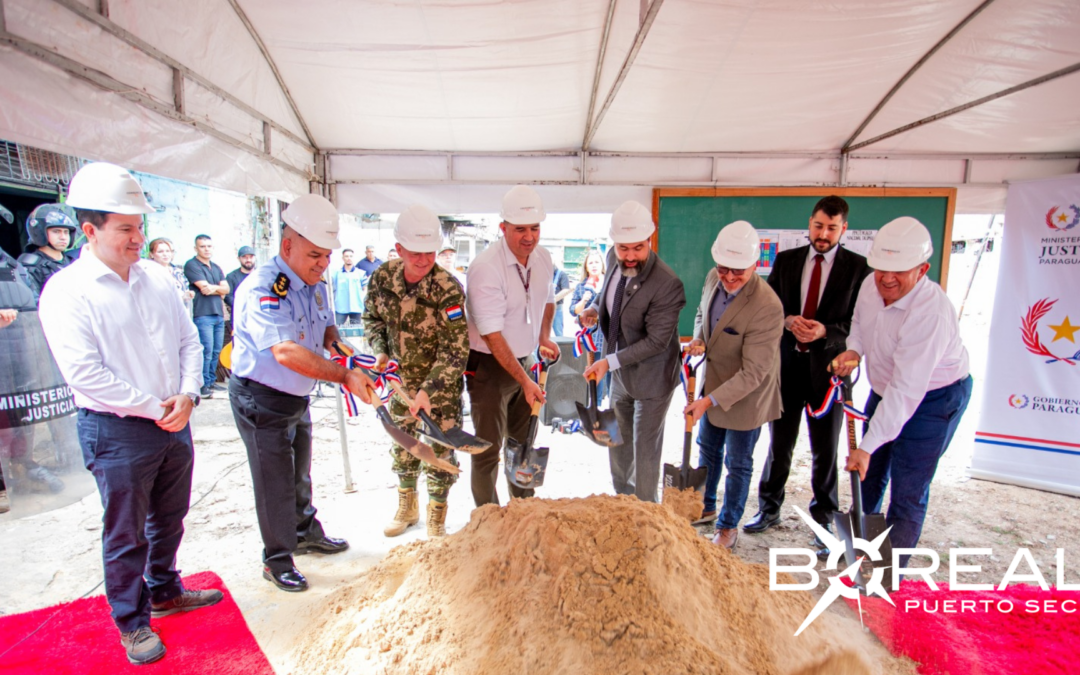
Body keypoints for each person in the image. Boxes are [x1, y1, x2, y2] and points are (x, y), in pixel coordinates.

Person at [38, 162, 220, 666]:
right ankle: (132, 622)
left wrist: (187, 393)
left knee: (170, 516)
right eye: (126, 228)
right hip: (116, 430)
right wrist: (156, 408)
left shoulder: (158, 278)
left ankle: (164, 589)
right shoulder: (67, 292)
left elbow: (188, 340)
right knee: (125, 531)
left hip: (173, 420)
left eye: (140, 226)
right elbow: (85, 374)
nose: (138, 238)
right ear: (90, 231)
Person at [229, 193, 375, 593]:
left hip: (297, 393)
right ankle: (276, 558)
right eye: (314, 255)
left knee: (298, 471)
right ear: (287, 246)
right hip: (261, 396)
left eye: (327, 256)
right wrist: (344, 376)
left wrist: (338, 345)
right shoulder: (263, 288)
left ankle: (305, 531)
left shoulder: (315, 282)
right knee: (273, 478)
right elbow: (286, 351)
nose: (323, 264)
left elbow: (325, 326)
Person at [832, 217, 972, 566]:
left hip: (934, 400)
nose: (887, 279)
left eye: (899, 271)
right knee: (868, 474)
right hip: (884, 391)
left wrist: (865, 446)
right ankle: (859, 550)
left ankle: (887, 575)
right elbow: (861, 325)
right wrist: (854, 350)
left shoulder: (931, 313)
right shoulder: (870, 284)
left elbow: (907, 391)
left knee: (908, 489)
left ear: (923, 269)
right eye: (881, 269)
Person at [745, 196, 871, 551]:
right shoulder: (785, 261)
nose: (823, 233)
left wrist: (826, 332)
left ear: (844, 228)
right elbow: (769, 310)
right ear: (810, 223)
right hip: (785, 368)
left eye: (832, 228)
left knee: (825, 451)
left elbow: (859, 324)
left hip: (830, 374)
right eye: (818, 225)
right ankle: (769, 508)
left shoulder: (860, 269)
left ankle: (825, 519)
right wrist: (787, 320)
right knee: (779, 445)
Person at [364, 206, 468, 538]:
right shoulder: (383, 278)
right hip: (398, 385)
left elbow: (456, 349)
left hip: (439, 390)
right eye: (415, 254)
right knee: (403, 444)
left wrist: (428, 390)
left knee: (438, 450)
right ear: (399, 250)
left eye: (429, 253)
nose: (423, 260)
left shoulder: (447, 287)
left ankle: (436, 515)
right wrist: (380, 350)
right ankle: (407, 507)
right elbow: (372, 320)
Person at [683, 221, 784, 550]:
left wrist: (708, 401)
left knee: (737, 463)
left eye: (737, 272)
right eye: (723, 268)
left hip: (748, 395)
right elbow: (702, 313)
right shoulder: (714, 278)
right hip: (715, 381)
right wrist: (699, 338)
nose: (728, 277)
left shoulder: (767, 307)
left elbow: (754, 372)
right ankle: (707, 506)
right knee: (708, 449)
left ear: (755, 265)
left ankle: (728, 526)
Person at [581, 201, 685, 503]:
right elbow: (611, 294)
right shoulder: (615, 259)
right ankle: (623, 500)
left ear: (650, 241)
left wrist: (608, 361)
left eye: (637, 249)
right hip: (620, 373)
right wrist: (594, 308)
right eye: (623, 248)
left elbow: (656, 342)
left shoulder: (667, 284)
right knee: (619, 441)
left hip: (652, 377)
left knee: (644, 448)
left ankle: (645, 511)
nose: (629, 256)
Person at [465, 185, 558, 506]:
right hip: (489, 367)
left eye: (534, 228)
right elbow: (493, 336)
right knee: (487, 449)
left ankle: (522, 512)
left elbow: (547, 299)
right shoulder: (485, 268)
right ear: (503, 228)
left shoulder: (544, 258)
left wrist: (544, 336)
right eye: (520, 229)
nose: (529, 237)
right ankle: (487, 521)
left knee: (523, 442)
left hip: (526, 362)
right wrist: (525, 380)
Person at [183, 235, 229, 397]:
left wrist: (214, 288)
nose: (206, 249)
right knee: (206, 350)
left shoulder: (215, 267)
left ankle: (211, 382)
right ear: (196, 248)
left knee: (216, 350)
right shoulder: (192, 265)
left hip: (218, 314)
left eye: (209, 246)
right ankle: (201, 385)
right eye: (202, 246)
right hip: (203, 314)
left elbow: (226, 289)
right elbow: (203, 288)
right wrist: (218, 289)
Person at [569, 249, 608, 402]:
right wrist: (583, 301)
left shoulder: (609, 284)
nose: (593, 265)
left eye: (597, 262)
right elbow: (573, 311)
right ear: (585, 266)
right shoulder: (581, 287)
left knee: (612, 375)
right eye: (590, 262)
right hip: (591, 339)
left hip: (609, 337)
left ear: (602, 265)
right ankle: (595, 407)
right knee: (595, 375)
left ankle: (612, 408)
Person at [18, 203, 79, 295]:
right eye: (56, 231)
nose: (63, 237)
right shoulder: (29, 267)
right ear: (40, 232)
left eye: (66, 232)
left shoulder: (74, 263)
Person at [148, 237, 195, 311]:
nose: (165, 254)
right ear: (151, 254)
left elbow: (184, 290)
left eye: (168, 251)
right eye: (160, 252)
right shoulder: (148, 272)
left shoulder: (178, 271)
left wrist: (188, 295)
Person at [331, 247, 366, 326]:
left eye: (350, 256)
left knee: (357, 331)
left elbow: (365, 288)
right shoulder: (336, 273)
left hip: (356, 307)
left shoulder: (360, 273)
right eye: (346, 256)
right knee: (338, 330)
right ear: (343, 258)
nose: (348, 258)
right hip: (341, 307)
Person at [224, 245, 256, 316]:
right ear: (238, 258)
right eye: (244, 257)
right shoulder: (231, 277)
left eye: (251, 257)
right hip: (239, 316)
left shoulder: (262, 275)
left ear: (255, 258)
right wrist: (244, 306)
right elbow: (228, 297)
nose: (248, 260)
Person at [551, 264, 572, 337]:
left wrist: (552, 300)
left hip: (557, 308)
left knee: (559, 335)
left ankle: (560, 348)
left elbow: (565, 290)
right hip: (541, 309)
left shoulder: (561, 274)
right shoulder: (541, 273)